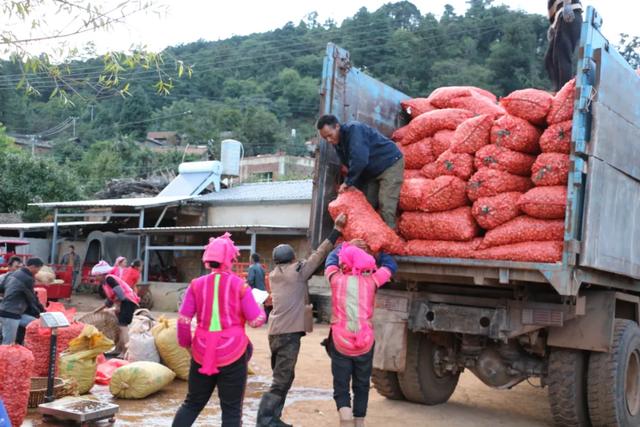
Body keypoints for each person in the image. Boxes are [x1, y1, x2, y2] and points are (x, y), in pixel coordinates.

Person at [257, 213, 346, 427]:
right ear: (292, 259)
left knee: (284, 377)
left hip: (276, 333)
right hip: (288, 335)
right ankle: (266, 420)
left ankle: (273, 419)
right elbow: (319, 254)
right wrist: (337, 230)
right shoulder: (297, 273)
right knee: (281, 380)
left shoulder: (275, 274)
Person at [172, 233, 266, 427]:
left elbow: (183, 321)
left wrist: (188, 346)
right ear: (230, 259)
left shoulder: (196, 285)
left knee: (192, 404)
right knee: (231, 411)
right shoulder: (240, 286)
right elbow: (256, 321)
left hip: (201, 351)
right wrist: (262, 310)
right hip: (233, 351)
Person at [324, 243, 397, 427]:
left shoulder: (335, 278)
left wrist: (344, 245)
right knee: (362, 385)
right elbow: (390, 265)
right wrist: (376, 253)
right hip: (365, 342)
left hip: (340, 341)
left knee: (341, 386)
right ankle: (360, 422)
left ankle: (345, 421)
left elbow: (330, 259)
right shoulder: (372, 281)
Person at [317, 115, 404, 229]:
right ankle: (369, 239)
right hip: (372, 172)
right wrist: (352, 187)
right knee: (367, 206)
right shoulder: (337, 143)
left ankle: (391, 241)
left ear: (337, 126)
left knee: (386, 206)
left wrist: (348, 182)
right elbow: (350, 165)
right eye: (325, 138)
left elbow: (360, 160)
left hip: (390, 163)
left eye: (329, 135)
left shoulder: (354, 130)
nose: (329, 140)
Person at [92, 260, 140, 355]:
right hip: (124, 302)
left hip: (128, 301)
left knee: (123, 326)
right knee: (119, 326)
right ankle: (118, 349)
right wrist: (96, 311)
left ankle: (126, 351)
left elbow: (121, 294)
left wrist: (118, 306)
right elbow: (110, 301)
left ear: (101, 274)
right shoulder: (105, 284)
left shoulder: (109, 279)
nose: (95, 278)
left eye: (96, 275)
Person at [0, 257, 45, 345]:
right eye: (38, 269)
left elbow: (1, 288)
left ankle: (23, 344)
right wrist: (42, 311)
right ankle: (4, 357)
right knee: (8, 343)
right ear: (32, 267)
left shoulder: (13, 273)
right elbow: (32, 298)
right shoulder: (27, 278)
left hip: (8, 310)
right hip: (11, 314)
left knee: (34, 323)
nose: (37, 272)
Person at [545, 0, 583, 91]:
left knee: (562, 57)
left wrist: (567, 5)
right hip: (561, 19)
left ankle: (564, 92)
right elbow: (552, 12)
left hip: (569, 13)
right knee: (550, 59)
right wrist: (553, 26)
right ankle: (559, 90)